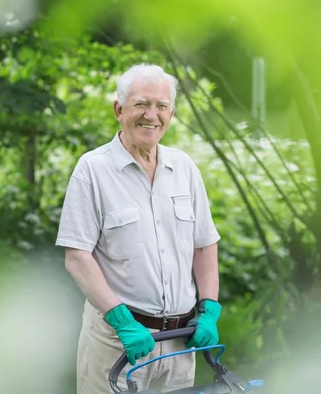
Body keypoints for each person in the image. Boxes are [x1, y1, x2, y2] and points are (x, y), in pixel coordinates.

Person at [55, 63, 222, 394]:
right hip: (117, 343)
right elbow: (77, 255)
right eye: (141, 104)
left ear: (171, 114)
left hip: (178, 343)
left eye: (161, 106)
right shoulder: (93, 169)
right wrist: (122, 322)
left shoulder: (184, 169)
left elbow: (203, 245)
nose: (152, 115)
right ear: (119, 109)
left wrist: (209, 310)